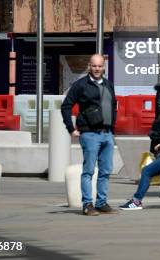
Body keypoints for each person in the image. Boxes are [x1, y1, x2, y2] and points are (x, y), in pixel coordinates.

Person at [61, 54, 118, 216]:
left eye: (100, 66)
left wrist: (112, 127)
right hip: (89, 134)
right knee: (88, 171)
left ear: (104, 67)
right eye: (94, 66)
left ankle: (101, 203)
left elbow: (113, 106)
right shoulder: (81, 85)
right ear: (89, 66)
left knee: (106, 171)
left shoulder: (108, 85)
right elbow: (66, 106)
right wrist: (71, 128)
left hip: (107, 134)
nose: (97, 69)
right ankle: (87, 204)